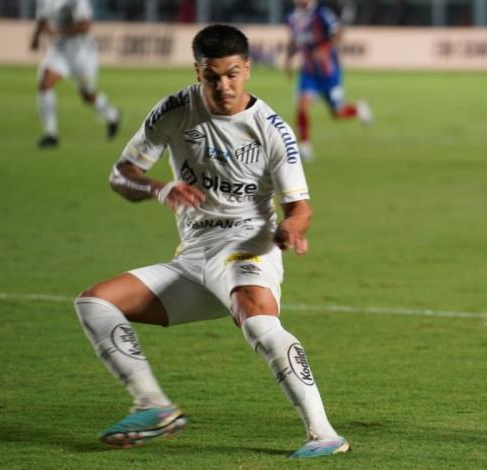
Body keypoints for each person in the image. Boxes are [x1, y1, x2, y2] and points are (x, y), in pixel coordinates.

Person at [73, 24, 350, 458]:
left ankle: (324, 434)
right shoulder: (175, 110)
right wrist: (159, 189)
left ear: (248, 69)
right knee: (94, 302)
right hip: (193, 258)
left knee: (258, 321)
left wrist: (293, 228)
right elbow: (120, 174)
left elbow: (301, 206)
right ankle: (154, 405)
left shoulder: (271, 128)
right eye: (212, 76)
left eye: (233, 74)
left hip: (248, 246)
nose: (224, 86)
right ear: (197, 71)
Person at [285, 0, 372, 162]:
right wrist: (288, 60)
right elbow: (294, 40)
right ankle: (304, 145)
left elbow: (338, 32)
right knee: (302, 105)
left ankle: (359, 109)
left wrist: (324, 48)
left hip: (329, 72)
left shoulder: (321, 13)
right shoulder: (292, 17)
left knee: (337, 113)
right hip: (308, 72)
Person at [30, 0, 120, 148]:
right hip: (59, 51)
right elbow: (42, 18)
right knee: (45, 84)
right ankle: (50, 134)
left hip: (82, 53)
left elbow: (85, 25)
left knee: (87, 95)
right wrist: (36, 37)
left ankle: (112, 115)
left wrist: (58, 32)